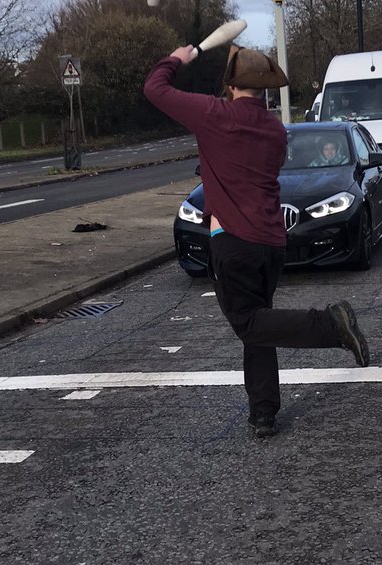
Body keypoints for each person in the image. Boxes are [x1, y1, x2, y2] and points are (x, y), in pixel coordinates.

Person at [144, 43, 370, 439]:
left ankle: (329, 325)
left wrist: (178, 57)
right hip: (271, 243)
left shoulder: (213, 115)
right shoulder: (274, 130)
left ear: (230, 85)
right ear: (264, 89)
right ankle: (263, 412)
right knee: (260, 322)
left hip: (233, 240)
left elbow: (155, 88)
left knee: (248, 322)